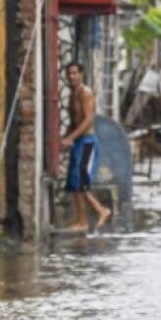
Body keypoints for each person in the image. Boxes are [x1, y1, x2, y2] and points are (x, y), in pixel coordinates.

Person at [61, 63, 111, 232]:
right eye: (69, 74)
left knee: (81, 182)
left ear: (81, 75)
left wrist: (70, 137)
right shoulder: (72, 94)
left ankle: (101, 211)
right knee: (74, 183)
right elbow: (74, 121)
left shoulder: (86, 93)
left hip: (87, 142)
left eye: (75, 73)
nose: (72, 77)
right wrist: (65, 139)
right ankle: (82, 221)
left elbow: (88, 119)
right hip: (78, 142)